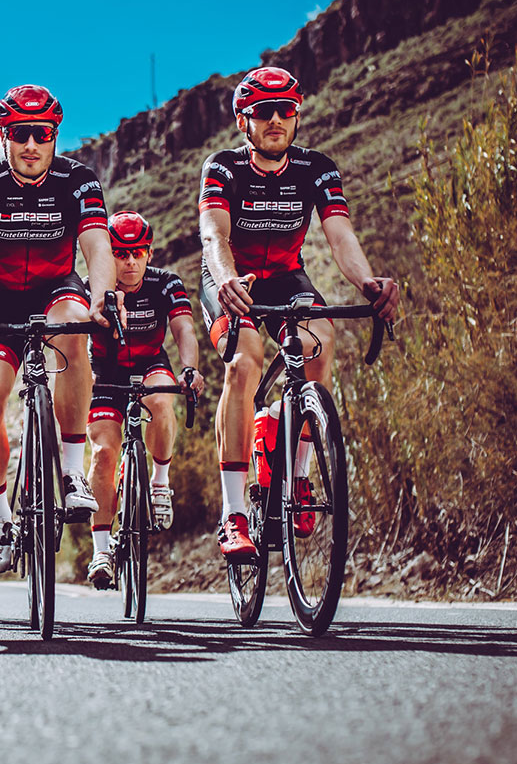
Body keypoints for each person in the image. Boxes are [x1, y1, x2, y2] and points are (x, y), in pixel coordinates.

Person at [199, 66, 400, 561]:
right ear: (243, 121)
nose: (275, 120)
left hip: (287, 275)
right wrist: (226, 278)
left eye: (285, 110)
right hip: (231, 277)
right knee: (245, 360)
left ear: (296, 116)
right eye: (263, 111)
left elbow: (341, 237)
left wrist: (368, 283)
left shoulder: (317, 168)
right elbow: (213, 235)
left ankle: (298, 474)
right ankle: (233, 515)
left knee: (321, 341)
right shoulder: (222, 167)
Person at [0, 84, 113, 573]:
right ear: (4, 136)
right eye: (20, 134)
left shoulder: (78, 179)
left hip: (56, 287)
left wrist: (103, 295)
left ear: (55, 135)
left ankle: (72, 470)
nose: (31, 144)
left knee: (75, 327)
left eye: (42, 134)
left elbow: (97, 246)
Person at [84, 211, 205, 589]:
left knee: (162, 399)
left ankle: (159, 482)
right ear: (108, 254)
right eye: (120, 253)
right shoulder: (91, 286)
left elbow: (184, 328)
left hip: (151, 362)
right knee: (104, 453)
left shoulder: (166, 283)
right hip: (104, 373)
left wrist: (190, 368)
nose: (130, 261)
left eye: (138, 252)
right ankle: (101, 551)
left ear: (149, 253)